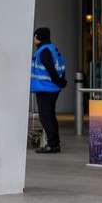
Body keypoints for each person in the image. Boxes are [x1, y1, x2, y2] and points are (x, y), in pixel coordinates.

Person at [31, 26, 68, 154]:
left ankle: (52, 145)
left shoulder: (44, 52)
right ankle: (55, 144)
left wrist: (59, 82)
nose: (33, 38)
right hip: (51, 89)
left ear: (38, 38)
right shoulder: (52, 49)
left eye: (35, 36)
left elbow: (51, 70)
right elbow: (61, 66)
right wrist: (61, 82)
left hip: (46, 89)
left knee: (46, 117)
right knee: (50, 116)